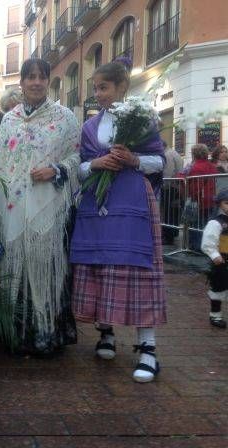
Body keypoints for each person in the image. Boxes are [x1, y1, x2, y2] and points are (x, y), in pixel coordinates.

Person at [70, 60, 167, 383]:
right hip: (97, 205)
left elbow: (159, 162)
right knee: (101, 266)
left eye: (104, 87)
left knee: (137, 269)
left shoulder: (143, 121)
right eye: (96, 88)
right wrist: (98, 162)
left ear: (122, 87)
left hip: (131, 203)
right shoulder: (89, 127)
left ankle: (148, 347)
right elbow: (81, 168)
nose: (99, 94)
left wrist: (133, 159)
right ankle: (106, 332)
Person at [0, 58, 80, 355]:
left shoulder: (65, 118)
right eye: (30, 77)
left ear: (48, 81)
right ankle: (14, 334)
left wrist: (56, 169)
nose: (36, 82)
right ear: (21, 83)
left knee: (44, 269)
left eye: (41, 77)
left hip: (48, 204)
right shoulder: (9, 120)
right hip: (14, 204)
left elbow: (76, 158)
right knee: (15, 266)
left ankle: (45, 335)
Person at [181, 144, 218, 251]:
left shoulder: (195, 167)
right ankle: (208, 246)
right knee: (208, 224)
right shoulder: (211, 166)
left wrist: (190, 197)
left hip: (199, 200)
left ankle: (197, 247)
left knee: (196, 225)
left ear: (194, 154)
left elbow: (194, 187)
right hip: (211, 199)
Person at [201, 189, 228, 329]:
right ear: (219, 204)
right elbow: (208, 241)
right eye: (226, 203)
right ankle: (215, 315)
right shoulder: (216, 223)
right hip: (221, 261)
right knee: (218, 287)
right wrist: (214, 255)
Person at [161, 140, 184, 244]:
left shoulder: (167, 154)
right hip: (176, 186)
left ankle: (169, 236)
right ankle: (172, 234)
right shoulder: (174, 152)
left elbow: (168, 172)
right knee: (173, 212)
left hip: (170, 187)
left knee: (168, 212)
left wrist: (163, 186)